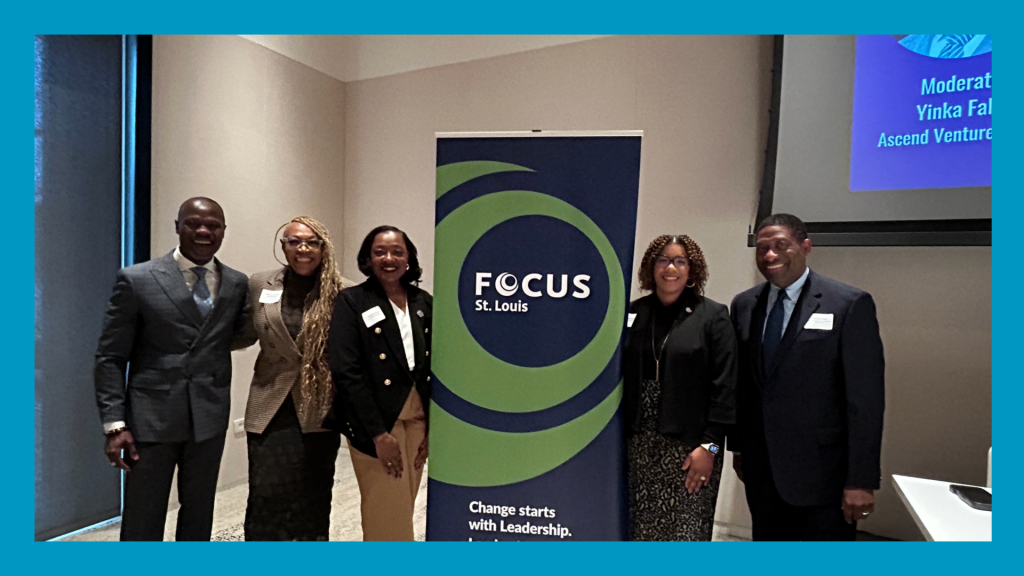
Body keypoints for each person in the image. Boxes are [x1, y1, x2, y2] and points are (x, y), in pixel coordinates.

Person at [93, 197, 250, 541]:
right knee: (143, 517)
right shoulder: (137, 280)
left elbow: (235, 335)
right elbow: (110, 357)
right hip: (151, 420)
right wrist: (114, 424)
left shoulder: (237, 284)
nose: (204, 231)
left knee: (199, 514)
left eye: (214, 225)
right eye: (194, 223)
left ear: (224, 231)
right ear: (177, 226)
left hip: (208, 417)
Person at [729, 213, 885, 541]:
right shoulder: (744, 305)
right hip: (762, 469)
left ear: (806, 247)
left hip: (824, 476)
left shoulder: (848, 304)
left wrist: (860, 479)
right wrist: (740, 448)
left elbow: (865, 400)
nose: (770, 255)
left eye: (781, 246)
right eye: (762, 248)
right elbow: (745, 386)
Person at [234, 216, 350, 540]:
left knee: (313, 495)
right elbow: (244, 332)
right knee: (265, 494)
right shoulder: (259, 283)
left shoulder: (344, 291)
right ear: (282, 246)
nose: (302, 248)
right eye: (293, 241)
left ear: (323, 247)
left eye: (312, 242)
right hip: (269, 403)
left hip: (318, 406)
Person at [622, 234, 738, 541]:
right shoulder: (633, 313)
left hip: (692, 447)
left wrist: (710, 447)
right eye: (663, 259)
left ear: (692, 270)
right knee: (640, 532)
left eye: (679, 261)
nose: (670, 267)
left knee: (685, 533)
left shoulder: (713, 316)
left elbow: (725, 388)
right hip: (640, 444)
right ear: (651, 267)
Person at [326, 225, 432, 541]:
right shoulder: (352, 301)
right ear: (368, 259)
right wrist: (377, 434)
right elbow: (347, 372)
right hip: (377, 424)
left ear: (409, 258)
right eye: (380, 252)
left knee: (402, 509)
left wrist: (432, 426)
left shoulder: (423, 301)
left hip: (417, 421)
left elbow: (433, 365)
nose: (389, 258)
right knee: (386, 514)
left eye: (397, 251)